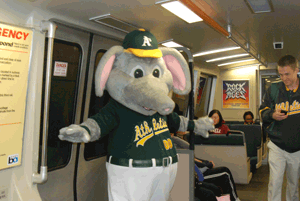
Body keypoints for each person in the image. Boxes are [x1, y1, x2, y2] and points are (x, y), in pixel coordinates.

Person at [259, 55, 300, 201]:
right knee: (275, 183)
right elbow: (262, 110)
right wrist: (272, 114)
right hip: (277, 145)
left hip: (297, 148)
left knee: (293, 185)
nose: (284, 78)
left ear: (297, 70)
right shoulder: (274, 89)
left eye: (287, 74)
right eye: (281, 74)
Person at [171, 135, 240, 201]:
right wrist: (208, 164)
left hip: (198, 171)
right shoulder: (174, 150)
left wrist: (174, 138)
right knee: (225, 173)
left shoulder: (175, 142)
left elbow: (190, 150)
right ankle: (234, 199)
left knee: (221, 179)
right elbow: (193, 159)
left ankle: (230, 198)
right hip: (198, 174)